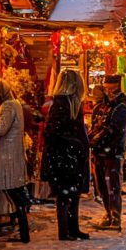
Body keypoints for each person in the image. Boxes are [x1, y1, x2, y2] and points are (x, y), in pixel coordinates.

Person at [41, 69, 90, 241]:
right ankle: (65, 230)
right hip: (64, 156)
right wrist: (74, 143)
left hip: (69, 155)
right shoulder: (63, 104)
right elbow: (52, 132)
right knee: (65, 194)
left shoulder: (69, 103)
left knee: (72, 192)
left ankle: (72, 227)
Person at [0, 78, 31, 243]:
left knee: (12, 191)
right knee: (16, 193)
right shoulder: (16, 104)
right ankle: (23, 230)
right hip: (13, 153)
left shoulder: (8, 106)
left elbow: (0, 129)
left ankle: (24, 232)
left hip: (7, 154)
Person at [89, 74, 126, 229]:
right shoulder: (101, 107)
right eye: (106, 88)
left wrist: (97, 138)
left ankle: (115, 215)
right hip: (99, 151)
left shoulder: (120, 107)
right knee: (101, 185)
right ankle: (107, 212)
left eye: (110, 88)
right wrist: (91, 137)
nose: (108, 91)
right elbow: (96, 126)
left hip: (112, 151)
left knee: (112, 183)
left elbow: (113, 129)